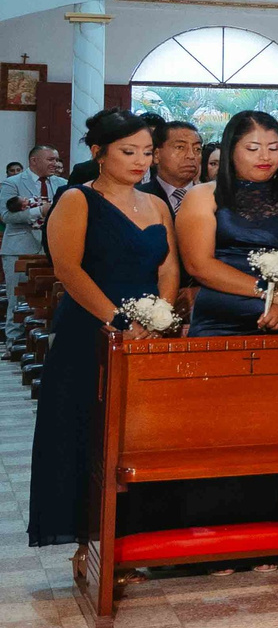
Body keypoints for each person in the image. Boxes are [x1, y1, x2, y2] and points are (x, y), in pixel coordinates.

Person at [27, 111, 178, 547]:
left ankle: (140, 535)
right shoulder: (77, 199)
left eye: (147, 153)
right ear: (99, 153)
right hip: (91, 329)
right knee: (88, 429)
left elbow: (168, 264)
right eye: (128, 152)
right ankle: (87, 534)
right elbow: (67, 269)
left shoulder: (154, 203)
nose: (140, 162)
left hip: (148, 331)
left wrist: (159, 316)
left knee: (141, 433)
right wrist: (119, 320)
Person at [180, 111, 278, 336]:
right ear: (231, 150)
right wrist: (268, 292)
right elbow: (199, 265)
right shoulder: (202, 195)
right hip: (221, 317)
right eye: (253, 149)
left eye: (274, 148)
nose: (265, 157)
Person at [2, 143, 65, 332]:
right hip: (20, 248)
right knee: (18, 297)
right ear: (34, 160)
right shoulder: (12, 183)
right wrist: (39, 211)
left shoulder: (61, 184)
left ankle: (42, 340)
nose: (55, 163)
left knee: (50, 298)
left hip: (52, 247)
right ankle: (14, 338)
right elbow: (5, 216)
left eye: (56, 159)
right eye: (50, 159)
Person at [140, 119, 199, 208]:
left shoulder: (213, 198)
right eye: (180, 147)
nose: (191, 155)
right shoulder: (138, 197)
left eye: (197, 149)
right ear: (156, 155)